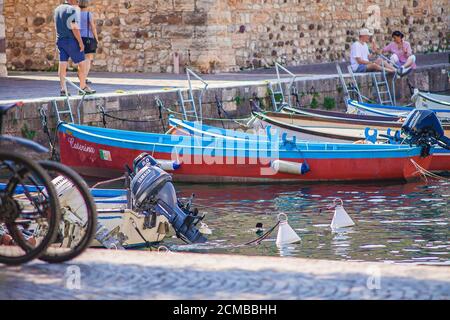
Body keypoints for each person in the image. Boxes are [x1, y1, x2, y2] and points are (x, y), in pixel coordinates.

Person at [54, 0, 95, 96]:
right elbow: (74, 27)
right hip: (71, 40)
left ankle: (63, 89)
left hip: (60, 40)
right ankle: (82, 87)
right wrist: (81, 42)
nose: (78, 1)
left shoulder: (57, 10)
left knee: (62, 63)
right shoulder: (71, 9)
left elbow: (57, 27)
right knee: (83, 63)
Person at [78, 0, 99, 84]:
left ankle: (80, 76)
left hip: (78, 38)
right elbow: (92, 27)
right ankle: (84, 77)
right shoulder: (88, 14)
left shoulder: (76, 14)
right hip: (88, 38)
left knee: (81, 58)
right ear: (87, 5)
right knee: (88, 59)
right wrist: (96, 39)